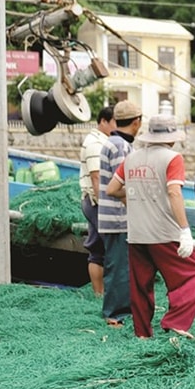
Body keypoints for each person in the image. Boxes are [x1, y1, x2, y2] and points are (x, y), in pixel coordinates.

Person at [106, 114, 195, 339]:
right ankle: (175, 323)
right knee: (194, 274)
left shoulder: (131, 158)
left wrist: (136, 195)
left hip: (137, 233)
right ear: (171, 138)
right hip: (165, 232)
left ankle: (142, 333)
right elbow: (174, 192)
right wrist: (185, 231)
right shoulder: (173, 158)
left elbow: (112, 189)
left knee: (140, 287)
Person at [97, 100, 144, 326]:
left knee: (118, 266)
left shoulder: (114, 142)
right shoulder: (120, 147)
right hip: (117, 217)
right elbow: (118, 186)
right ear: (137, 122)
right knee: (118, 268)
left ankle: (119, 310)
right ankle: (115, 313)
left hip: (114, 217)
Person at [80, 105, 116, 297]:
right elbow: (96, 177)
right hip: (96, 203)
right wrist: (105, 207)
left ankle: (99, 294)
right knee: (109, 249)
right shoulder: (96, 143)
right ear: (103, 121)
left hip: (94, 202)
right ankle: (104, 294)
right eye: (115, 122)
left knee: (97, 249)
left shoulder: (103, 141)